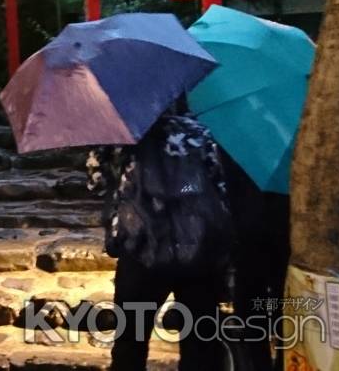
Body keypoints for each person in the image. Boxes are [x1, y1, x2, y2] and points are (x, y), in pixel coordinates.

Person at [88, 105, 232, 370]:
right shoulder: (200, 133)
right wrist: (181, 188)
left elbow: (96, 184)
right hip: (196, 246)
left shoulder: (118, 136)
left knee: (130, 339)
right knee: (200, 342)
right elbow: (218, 185)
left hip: (141, 244)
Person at [221, 152, 290, 371]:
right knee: (281, 302)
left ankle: (256, 362)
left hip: (248, 234)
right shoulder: (287, 142)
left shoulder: (235, 138)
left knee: (253, 305)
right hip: (279, 233)